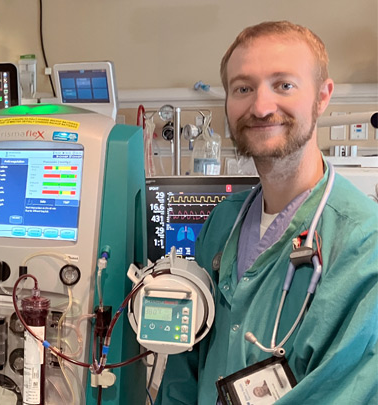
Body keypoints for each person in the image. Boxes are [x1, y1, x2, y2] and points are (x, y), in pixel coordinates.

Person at [156, 21, 378, 404]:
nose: (260, 106)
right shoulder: (222, 223)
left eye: (284, 85)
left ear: (323, 97)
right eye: (243, 88)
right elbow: (185, 366)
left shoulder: (362, 245)